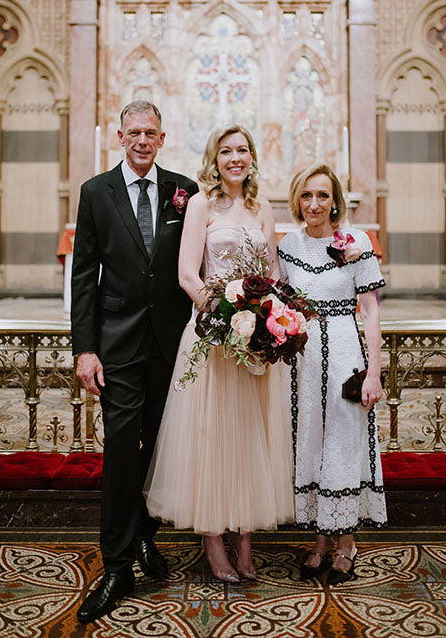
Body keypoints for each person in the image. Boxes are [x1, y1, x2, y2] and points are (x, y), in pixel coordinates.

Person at [144, 125, 294, 582]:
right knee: (211, 435)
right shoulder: (201, 204)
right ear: (215, 157)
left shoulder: (262, 207)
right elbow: (188, 274)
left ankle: (245, 540)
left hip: (253, 341)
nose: (235, 158)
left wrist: (266, 317)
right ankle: (213, 540)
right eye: (226, 150)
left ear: (251, 157)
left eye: (242, 150)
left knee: (250, 436)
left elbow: (270, 270)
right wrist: (226, 313)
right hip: (212, 336)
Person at [71, 100, 198, 623]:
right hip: (118, 343)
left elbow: (197, 261)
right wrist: (84, 347)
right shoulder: (95, 193)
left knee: (160, 444)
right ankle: (117, 565)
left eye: (151, 133)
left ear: (162, 138)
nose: (142, 140)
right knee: (123, 447)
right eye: (134, 133)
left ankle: (146, 535)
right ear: (120, 137)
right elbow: (83, 276)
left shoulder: (183, 190)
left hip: (171, 343)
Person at [278, 164, 387, 585]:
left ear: (335, 200)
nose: (314, 204)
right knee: (313, 440)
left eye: (322, 196)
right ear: (296, 200)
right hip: (303, 360)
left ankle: (347, 543)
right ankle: (321, 541)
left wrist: (373, 373)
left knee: (343, 440)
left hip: (345, 353)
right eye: (306, 196)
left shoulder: (356, 242)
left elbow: (371, 310)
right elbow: (280, 302)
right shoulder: (288, 246)